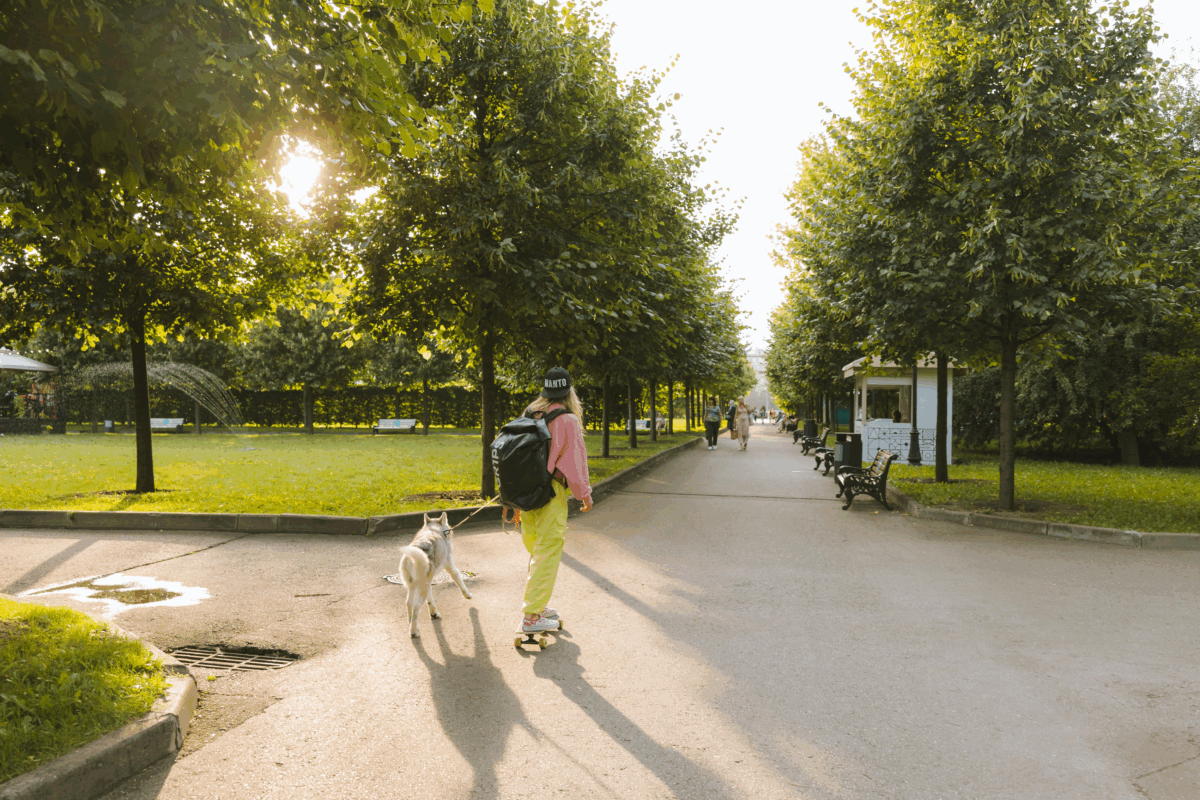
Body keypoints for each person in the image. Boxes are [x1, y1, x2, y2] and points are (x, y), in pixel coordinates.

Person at [511, 367, 593, 636]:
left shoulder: (530, 412)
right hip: (551, 492)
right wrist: (584, 494)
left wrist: (511, 499)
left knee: (536, 550)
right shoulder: (568, 420)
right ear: (569, 392)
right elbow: (575, 463)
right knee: (548, 551)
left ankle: (538, 605)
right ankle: (532, 615)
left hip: (527, 492)